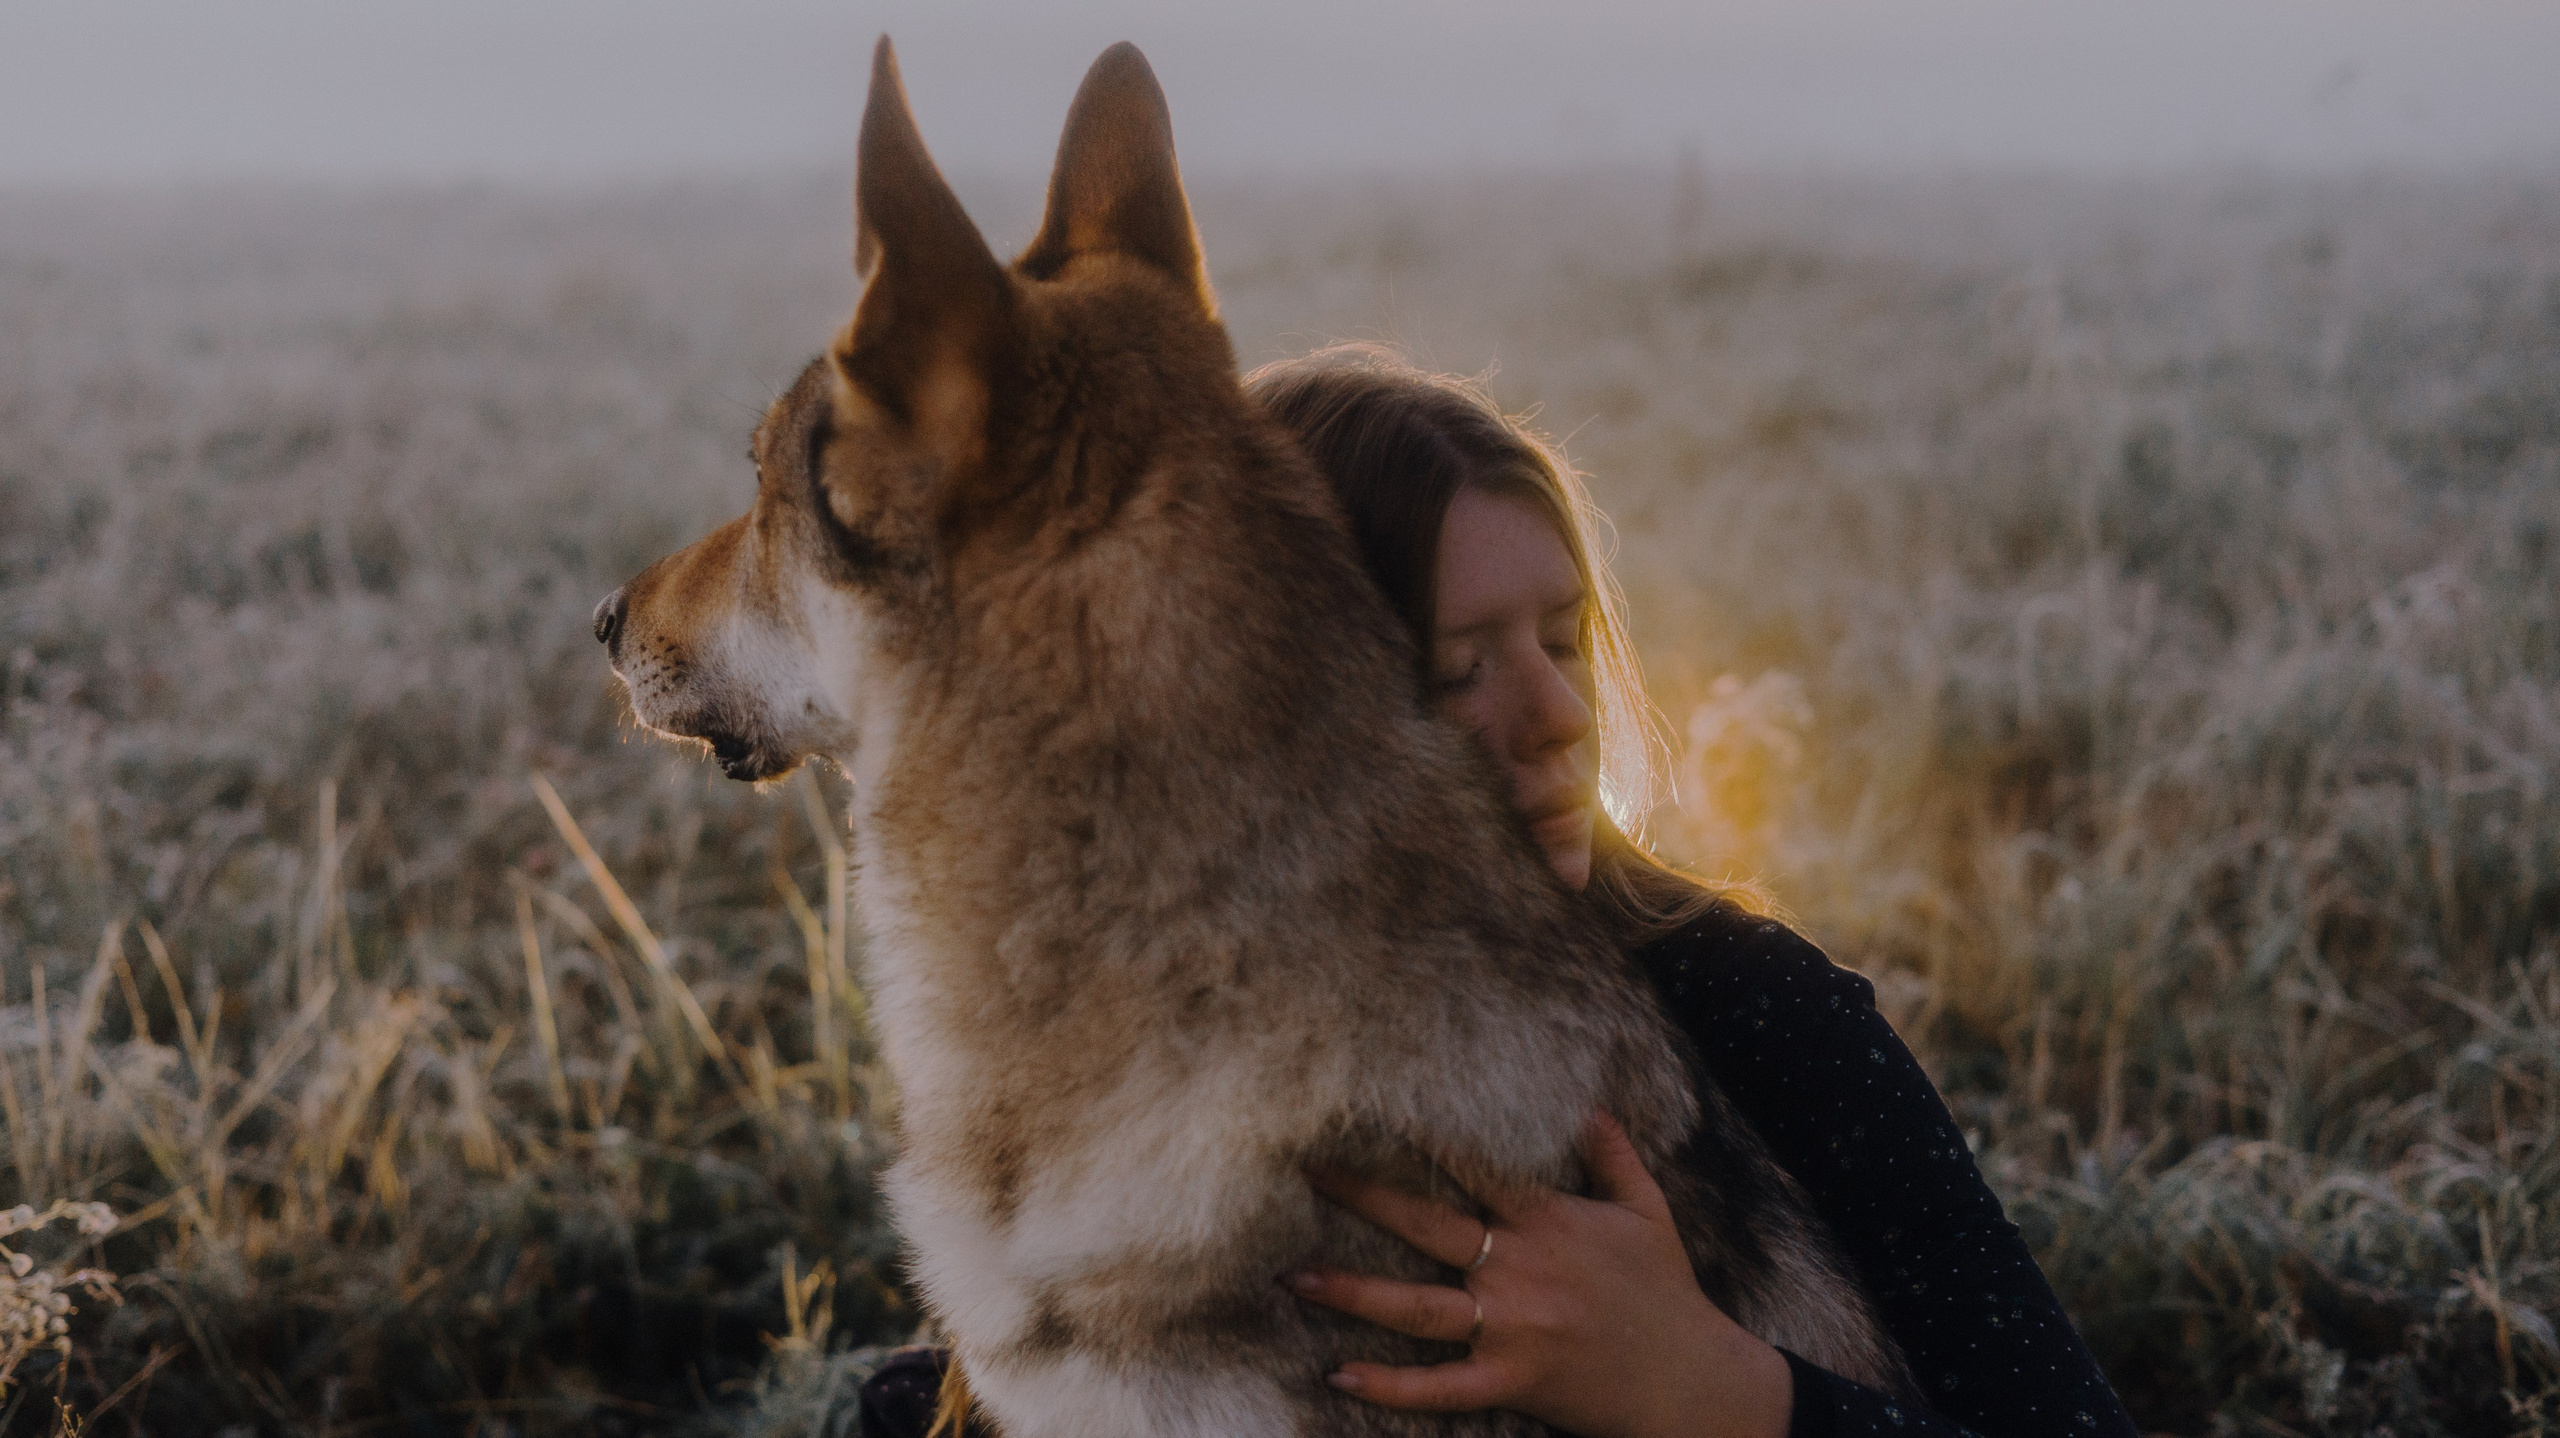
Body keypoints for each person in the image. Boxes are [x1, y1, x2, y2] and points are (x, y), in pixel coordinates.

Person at [857, 345, 2139, 1438]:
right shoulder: (1134, 1092)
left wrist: (1715, 1385)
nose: (1556, 714)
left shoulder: (1754, 1010)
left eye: (1565, 639)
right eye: (1458, 665)